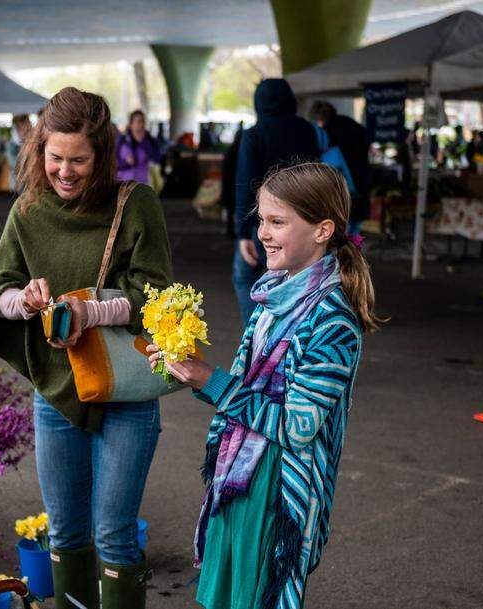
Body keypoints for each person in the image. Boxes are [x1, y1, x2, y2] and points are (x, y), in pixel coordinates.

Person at [149, 162, 379, 609]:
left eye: (277, 222)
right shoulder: (272, 294)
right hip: (238, 476)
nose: (262, 233)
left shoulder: (333, 320)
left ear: (322, 230)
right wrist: (191, 370)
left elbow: (297, 427)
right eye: (260, 219)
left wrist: (211, 382)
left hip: (276, 487)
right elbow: (239, 387)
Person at [0, 87, 173, 609]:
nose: (65, 172)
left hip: (126, 395)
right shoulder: (27, 210)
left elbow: (156, 296)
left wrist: (92, 311)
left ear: (103, 155)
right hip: (57, 392)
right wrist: (24, 300)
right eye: (55, 158)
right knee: (65, 535)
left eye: (79, 161)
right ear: (39, 148)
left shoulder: (137, 204)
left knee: (114, 534)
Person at [233, 79, 320, 323]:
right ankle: (290, 334)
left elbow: (244, 184)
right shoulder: (308, 130)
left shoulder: (254, 135)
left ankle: (258, 339)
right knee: (296, 278)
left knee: (245, 276)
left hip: (266, 222)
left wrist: (243, 233)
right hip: (304, 219)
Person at [311, 100, 371, 234]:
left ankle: (345, 252)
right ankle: (353, 250)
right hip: (360, 181)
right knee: (355, 229)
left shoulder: (326, 133)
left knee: (341, 230)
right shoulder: (351, 124)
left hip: (342, 187)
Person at [116, 109, 163, 186]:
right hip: (123, 184)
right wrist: (126, 163)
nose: (139, 125)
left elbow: (157, 159)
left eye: (141, 121)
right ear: (131, 124)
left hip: (143, 184)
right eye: (136, 121)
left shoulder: (150, 140)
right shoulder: (123, 139)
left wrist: (143, 143)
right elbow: (113, 162)